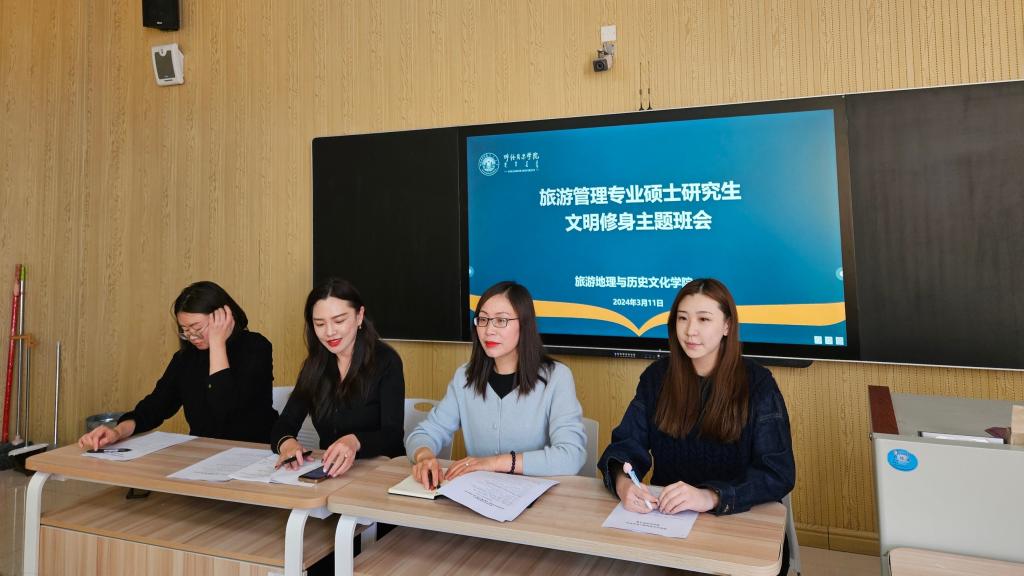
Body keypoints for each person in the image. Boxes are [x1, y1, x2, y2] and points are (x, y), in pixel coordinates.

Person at [598, 278, 795, 572]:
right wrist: (624, 483)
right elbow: (627, 444)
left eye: (704, 319)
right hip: (668, 525)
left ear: (727, 326)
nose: (690, 330)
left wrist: (710, 496)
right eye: (682, 318)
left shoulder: (758, 384)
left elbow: (777, 473)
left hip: (737, 526)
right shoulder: (657, 378)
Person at [407, 281, 586, 488]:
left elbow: (571, 455)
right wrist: (424, 456)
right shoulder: (465, 377)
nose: (489, 330)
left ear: (524, 325)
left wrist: (494, 463)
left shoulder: (556, 377)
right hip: (479, 495)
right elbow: (425, 433)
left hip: (539, 497)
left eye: (501, 320)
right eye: (483, 320)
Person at [78, 281, 277, 449]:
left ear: (223, 317)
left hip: (254, 453)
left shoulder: (256, 347)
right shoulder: (186, 359)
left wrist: (217, 344)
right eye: (185, 330)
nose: (192, 337)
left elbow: (225, 410)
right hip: (205, 456)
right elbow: (154, 407)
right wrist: (117, 432)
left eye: (197, 328)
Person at [271, 278, 405, 477]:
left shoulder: (386, 361)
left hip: (381, 472)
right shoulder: (315, 365)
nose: (329, 332)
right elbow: (284, 424)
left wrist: (354, 441)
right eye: (320, 324)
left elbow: (392, 435)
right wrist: (287, 443)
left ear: (359, 316)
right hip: (331, 473)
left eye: (339, 321)